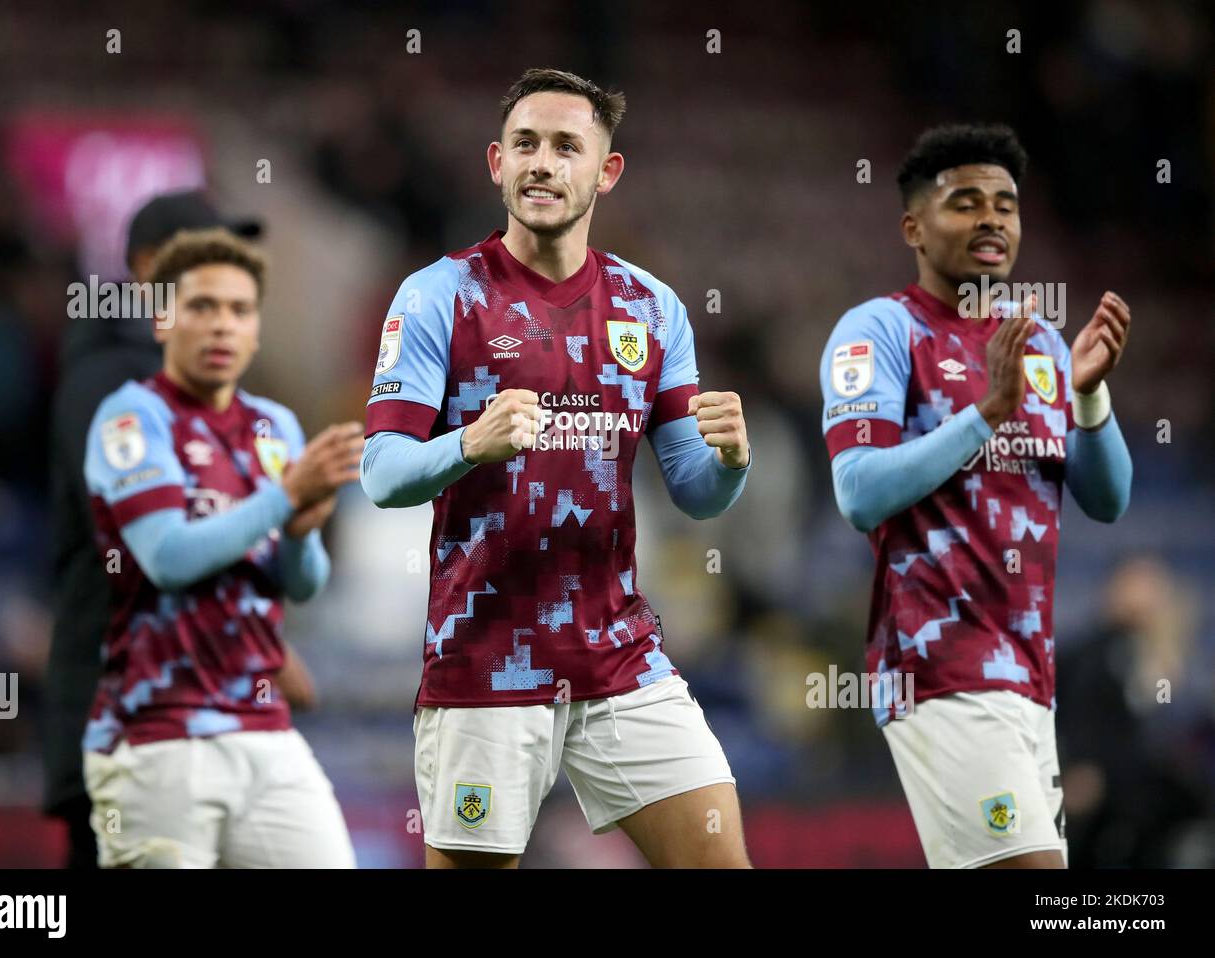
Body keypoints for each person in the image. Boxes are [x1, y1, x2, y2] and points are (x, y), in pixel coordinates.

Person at [361, 68, 752, 869]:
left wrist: (732, 462)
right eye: (526, 144)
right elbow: (381, 471)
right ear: (496, 164)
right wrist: (471, 442)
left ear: (604, 172)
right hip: (486, 658)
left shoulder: (651, 308)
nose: (543, 163)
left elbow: (698, 495)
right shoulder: (440, 295)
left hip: (620, 658)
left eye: (567, 147)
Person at [819, 123, 1132, 868]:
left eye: (1006, 204)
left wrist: (1089, 400)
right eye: (965, 203)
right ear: (914, 228)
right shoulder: (880, 331)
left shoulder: (1045, 348)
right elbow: (859, 491)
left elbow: (1108, 498)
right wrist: (986, 412)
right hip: (939, 666)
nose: (992, 218)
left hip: (1028, 674)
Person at [81, 228, 362, 867]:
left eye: (238, 310)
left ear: (256, 328)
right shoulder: (131, 419)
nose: (221, 325)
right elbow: (167, 557)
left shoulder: (276, 427)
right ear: (162, 320)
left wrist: (297, 533)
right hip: (157, 734)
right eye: (202, 306)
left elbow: (303, 582)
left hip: (263, 730)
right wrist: (285, 499)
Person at [43, 190, 295, 868]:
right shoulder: (106, 384)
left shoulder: (185, 385)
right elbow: (145, 539)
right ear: (149, 267)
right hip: (119, 711)